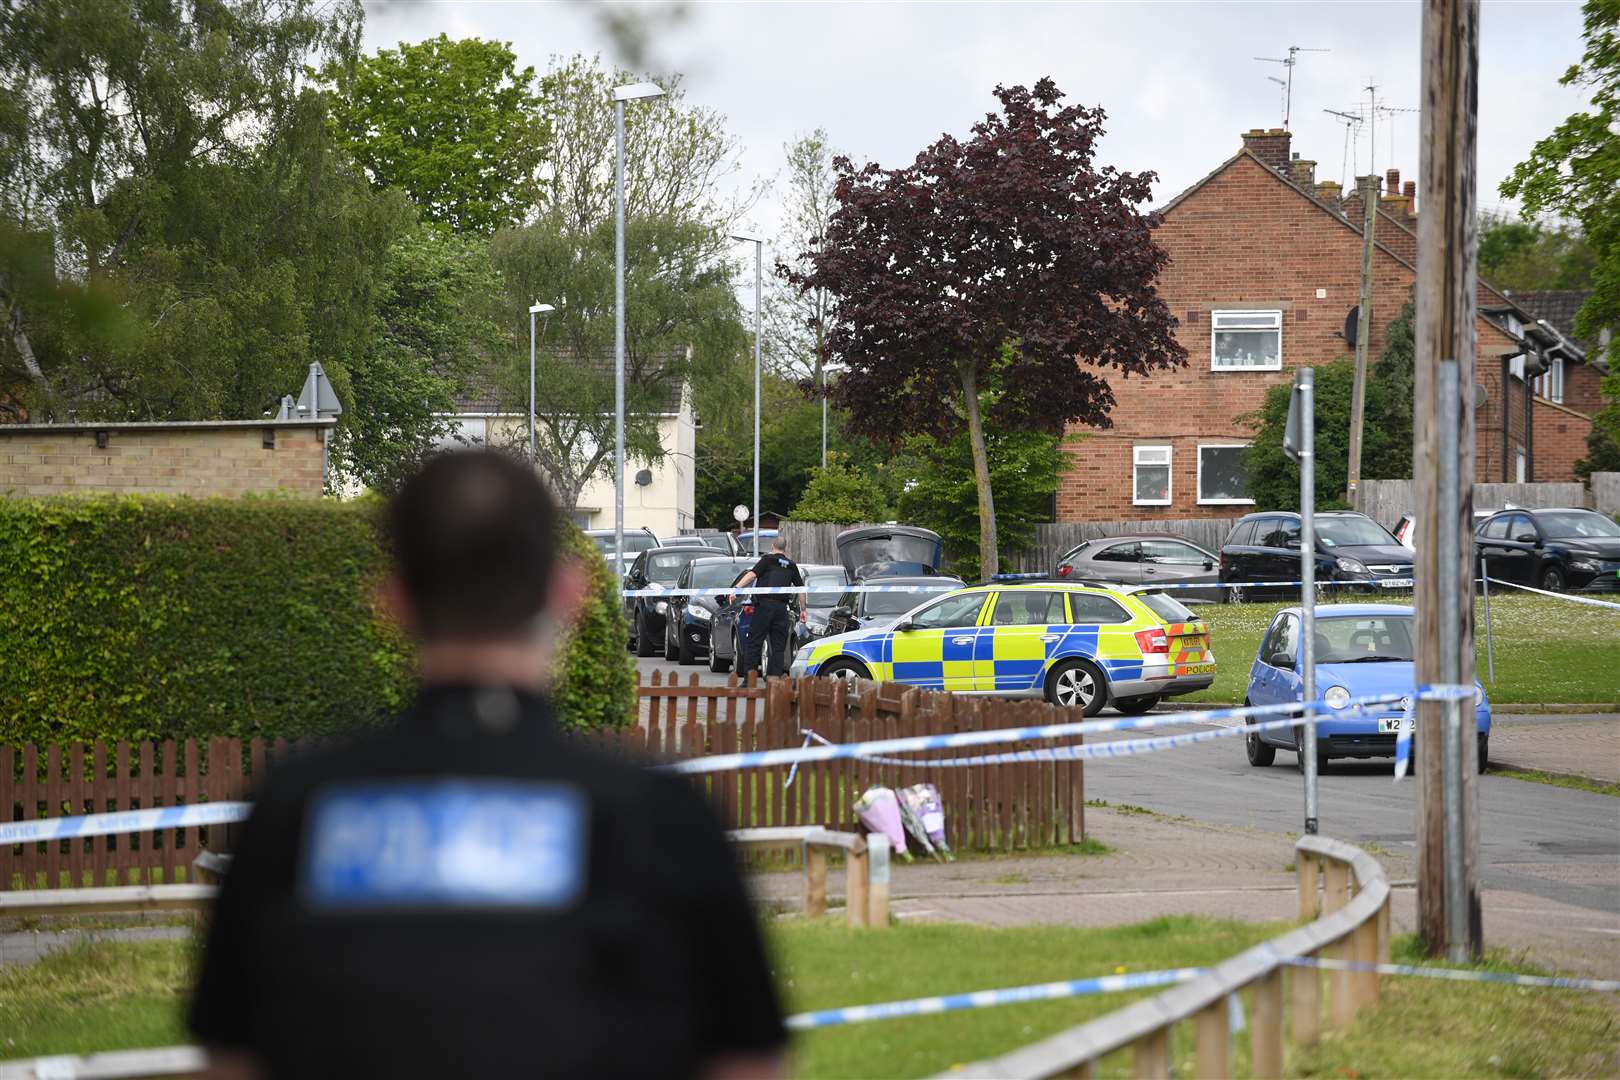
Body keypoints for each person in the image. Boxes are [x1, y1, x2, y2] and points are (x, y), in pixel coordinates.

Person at [188, 451, 786, 1080]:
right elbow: (745, 1060)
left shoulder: (295, 810)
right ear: (569, 594)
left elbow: (231, 1057)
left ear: (391, 601)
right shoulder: (665, 816)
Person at [731, 538, 806, 678]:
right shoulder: (791, 565)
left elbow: (752, 575)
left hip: (764, 607)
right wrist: (803, 610)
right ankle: (774, 681)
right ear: (785, 548)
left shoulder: (767, 560)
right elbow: (802, 589)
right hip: (781, 610)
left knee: (754, 643)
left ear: (773, 546)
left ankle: (749, 680)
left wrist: (736, 589)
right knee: (778, 647)